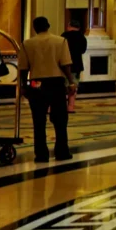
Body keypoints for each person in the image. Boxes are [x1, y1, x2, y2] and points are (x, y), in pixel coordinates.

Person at [18, 17, 76, 163]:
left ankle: (41, 154)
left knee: (38, 120)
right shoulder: (60, 41)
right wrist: (71, 82)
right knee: (60, 120)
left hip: (36, 83)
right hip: (55, 82)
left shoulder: (27, 44)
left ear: (34, 28)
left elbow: (23, 68)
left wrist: (23, 86)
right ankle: (62, 151)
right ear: (48, 26)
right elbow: (65, 65)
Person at [62, 19, 87, 113]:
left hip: (64, 64)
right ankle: (71, 107)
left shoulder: (64, 36)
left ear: (69, 26)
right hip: (76, 65)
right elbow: (83, 50)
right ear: (79, 27)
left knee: (62, 86)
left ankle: (60, 106)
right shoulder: (82, 37)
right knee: (73, 86)